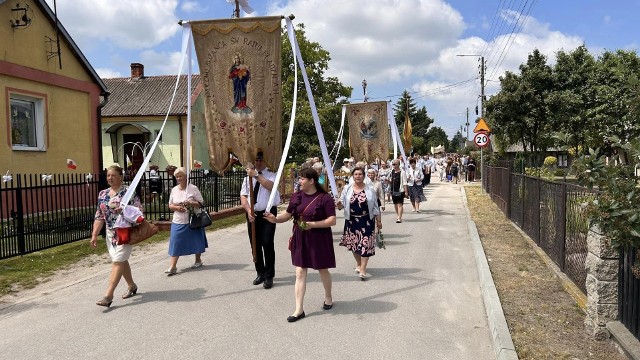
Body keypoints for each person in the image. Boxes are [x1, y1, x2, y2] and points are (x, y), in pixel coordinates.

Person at [264, 168, 336, 322]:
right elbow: (288, 215)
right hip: (301, 237)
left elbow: (332, 220)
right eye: (299, 178)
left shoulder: (325, 198)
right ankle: (299, 309)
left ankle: (328, 296)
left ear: (312, 181)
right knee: (300, 272)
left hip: (319, 237)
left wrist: (312, 225)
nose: (299, 181)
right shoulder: (296, 196)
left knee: (322, 269)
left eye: (302, 179)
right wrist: (275, 219)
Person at [91, 165, 143, 308]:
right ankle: (132, 286)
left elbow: (139, 211)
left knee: (118, 261)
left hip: (125, 231)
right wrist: (94, 234)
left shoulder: (128, 192)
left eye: (113, 175)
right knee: (120, 260)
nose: (110, 178)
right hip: (110, 233)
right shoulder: (103, 194)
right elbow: (99, 215)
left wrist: (125, 210)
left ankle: (108, 295)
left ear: (121, 176)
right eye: (108, 175)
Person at [240, 151, 280, 289]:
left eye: (261, 160)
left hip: (268, 213)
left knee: (267, 243)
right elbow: (243, 196)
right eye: (256, 160)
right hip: (253, 214)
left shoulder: (272, 175)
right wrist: (248, 210)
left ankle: (269, 276)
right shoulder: (247, 178)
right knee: (255, 244)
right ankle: (260, 272)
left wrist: (256, 175)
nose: (258, 163)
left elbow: (271, 187)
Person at [338, 167, 381, 280]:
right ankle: (359, 263)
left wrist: (379, 221)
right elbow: (341, 202)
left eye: (360, 174)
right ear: (353, 176)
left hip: (366, 220)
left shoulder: (370, 189)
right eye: (356, 174)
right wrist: (338, 204)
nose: (358, 176)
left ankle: (363, 269)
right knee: (354, 244)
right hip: (351, 221)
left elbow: (376, 207)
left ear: (364, 176)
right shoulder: (347, 188)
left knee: (365, 244)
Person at [165, 167, 208, 275]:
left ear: (186, 177)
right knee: (176, 241)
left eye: (181, 176)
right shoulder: (174, 190)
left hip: (192, 219)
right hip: (178, 220)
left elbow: (201, 203)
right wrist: (177, 208)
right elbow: (170, 205)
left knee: (196, 239)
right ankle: (173, 266)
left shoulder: (193, 188)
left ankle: (198, 260)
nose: (179, 178)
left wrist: (191, 203)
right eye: (177, 176)